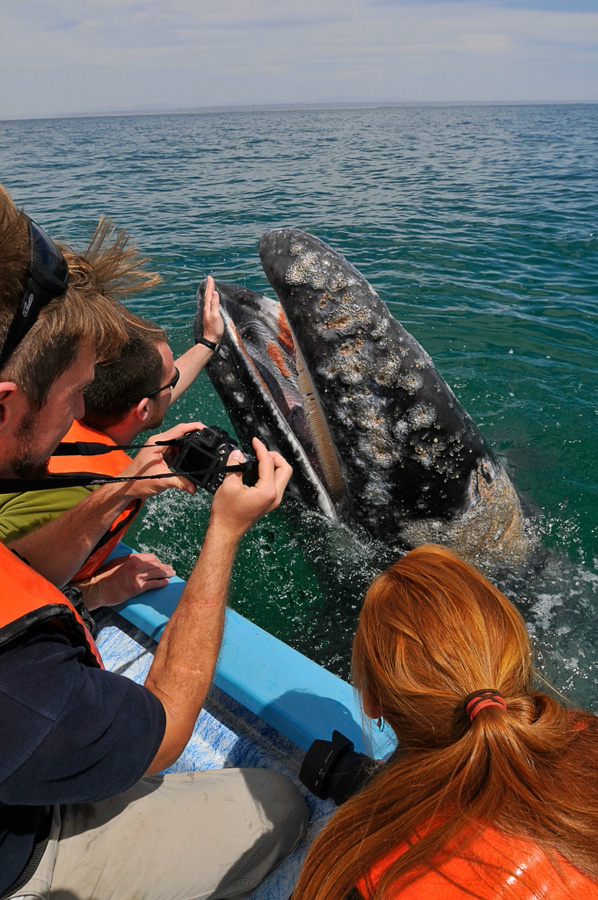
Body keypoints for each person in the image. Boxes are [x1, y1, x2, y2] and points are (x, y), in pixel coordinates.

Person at [0, 184, 307, 900]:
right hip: (21, 847)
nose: (84, 413)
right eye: (77, 396)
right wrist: (224, 532)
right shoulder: (22, 677)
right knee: (283, 805)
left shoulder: (83, 471)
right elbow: (160, 732)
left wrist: (119, 494)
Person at [292, 543, 598, 900]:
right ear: (518, 661)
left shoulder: (360, 871)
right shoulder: (586, 734)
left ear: (372, 702)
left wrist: (368, 800)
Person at [0, 284, 223, 608]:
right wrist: (95, 593)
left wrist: (207, 343)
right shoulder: (84, 488)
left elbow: (156, 395)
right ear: (142, 410)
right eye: (169, 381)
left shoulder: (55, 417)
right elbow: (12, 584)